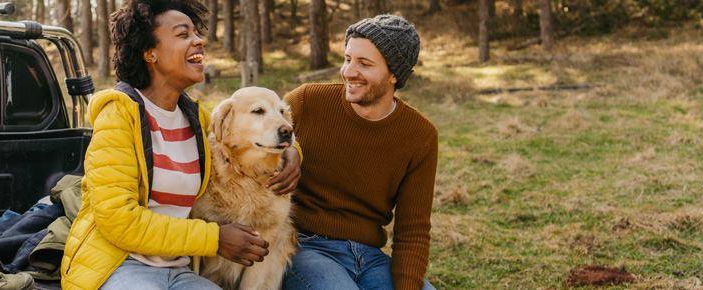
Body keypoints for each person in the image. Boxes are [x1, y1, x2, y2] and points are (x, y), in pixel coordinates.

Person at [59, 0, 299, 289]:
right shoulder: (118, 116)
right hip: (117, 266)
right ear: (150, 53)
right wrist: (214, 239)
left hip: (179, 268)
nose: (199, 40)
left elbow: (249, 134)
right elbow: (118, 220)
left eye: (197, 33)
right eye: (184, 34)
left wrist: (294, 152)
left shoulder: (196, 118)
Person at [280, 15, 438, 290]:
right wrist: (291, 149)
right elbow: (252, 135)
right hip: (303, 246)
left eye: (364, 64)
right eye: (348, 58)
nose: (349, 71)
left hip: (370, 257)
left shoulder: (420, 136)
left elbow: (412, 231)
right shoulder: (306, 101)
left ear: (393, 74)